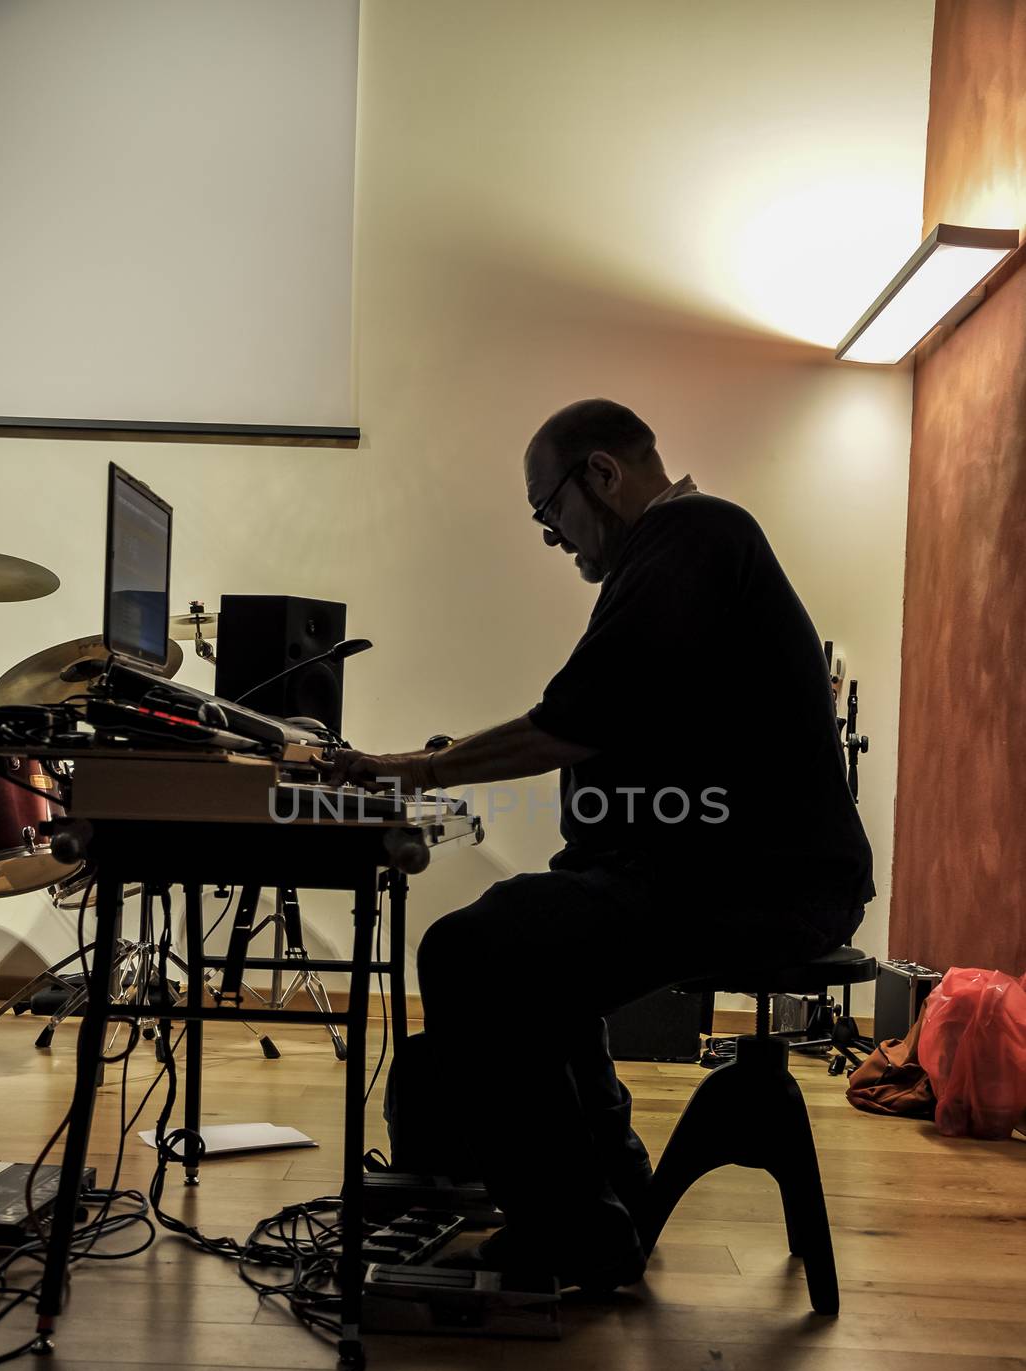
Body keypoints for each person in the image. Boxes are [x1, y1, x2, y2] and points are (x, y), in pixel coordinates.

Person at [330, 398, 873, 1290]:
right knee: (536, 934)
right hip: (722, 872)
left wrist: (411, 773)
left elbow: (575, 721)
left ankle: (570, 1231)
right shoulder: (684, 551)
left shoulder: (696, 533)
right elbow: (613, 719)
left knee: (470, 948)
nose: (551, 538)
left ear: (602, 475)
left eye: (548, 512)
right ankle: (605, 1191)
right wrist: (439, 765)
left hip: (762, 884)